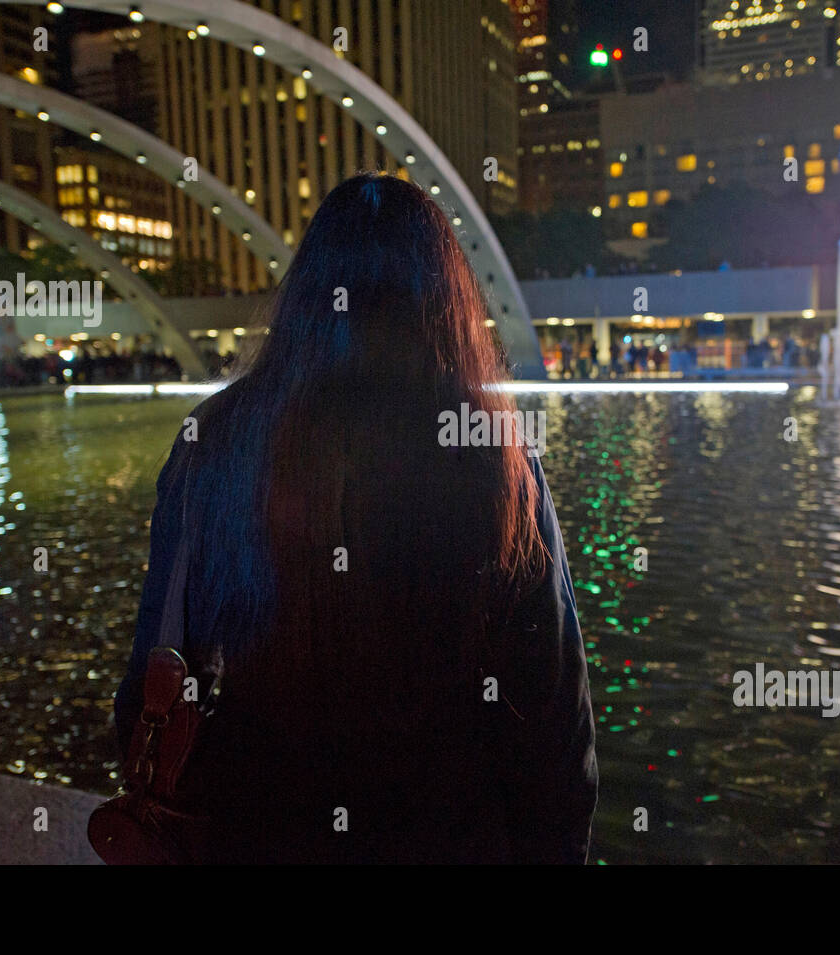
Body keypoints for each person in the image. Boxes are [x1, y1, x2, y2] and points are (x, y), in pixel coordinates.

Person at [113, 173, 598, 864]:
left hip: (259, 827)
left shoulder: (216, 439)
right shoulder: (487, 454)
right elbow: (553, 710)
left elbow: (151, 674)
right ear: (446, 300)